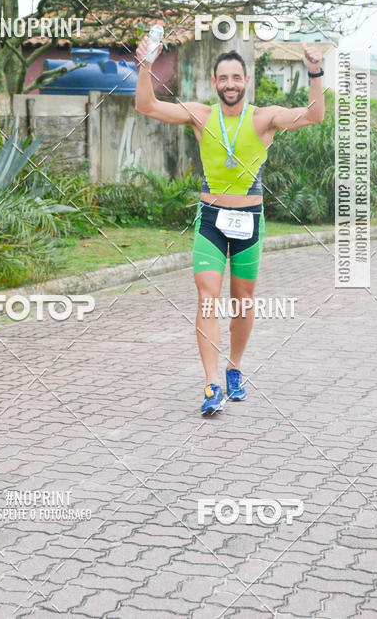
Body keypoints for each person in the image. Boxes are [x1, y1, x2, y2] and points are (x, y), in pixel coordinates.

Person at [135, 37, 325, 415]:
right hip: (211, 220)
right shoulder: (200, 116)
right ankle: (211, 384)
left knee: (242, 301)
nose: (230, 83)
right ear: (214, 81)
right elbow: (147, 105)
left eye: (236, 77)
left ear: (247, 79)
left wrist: (315, 72)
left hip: (250, 221)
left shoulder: (264, 117)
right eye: (223, 77)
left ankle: (234, 366)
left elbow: (314, 115)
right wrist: (145, 64)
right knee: (207, 298)